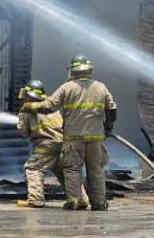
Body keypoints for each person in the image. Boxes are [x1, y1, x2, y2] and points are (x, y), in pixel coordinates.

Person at [24, 56, 117, 210]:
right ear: (89, 70)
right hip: (96, 139)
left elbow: (49, 107)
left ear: (73, 71)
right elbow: (112, 109)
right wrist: (108, 128)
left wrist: (30, 107)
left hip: (73, 139)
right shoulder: (101, 87)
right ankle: (99, 203)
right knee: (96, 171)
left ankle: (73, 201)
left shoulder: (67, 87)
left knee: (72, 170)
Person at [14, 80, 64, 209]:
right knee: (66, 172)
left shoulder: (26, 110)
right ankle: (80, 198)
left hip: (45, 146)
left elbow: (23, 133)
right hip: (63, 144)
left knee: (33, 168)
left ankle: (35, 200)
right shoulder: (51, 106)